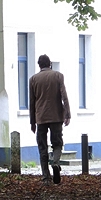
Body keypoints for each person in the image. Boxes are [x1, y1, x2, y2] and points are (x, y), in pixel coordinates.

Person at [29, 54, 71, 184]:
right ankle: (56, 162)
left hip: (41, 118)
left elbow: (32, 102)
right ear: (50, 64)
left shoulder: (33, 79)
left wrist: (32, 122)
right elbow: (64, 96)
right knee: (57, 143)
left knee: (42, 147)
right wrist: (67, 114)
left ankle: (46, 177)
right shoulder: (58, 76)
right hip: (56, 116)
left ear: (39, 65)